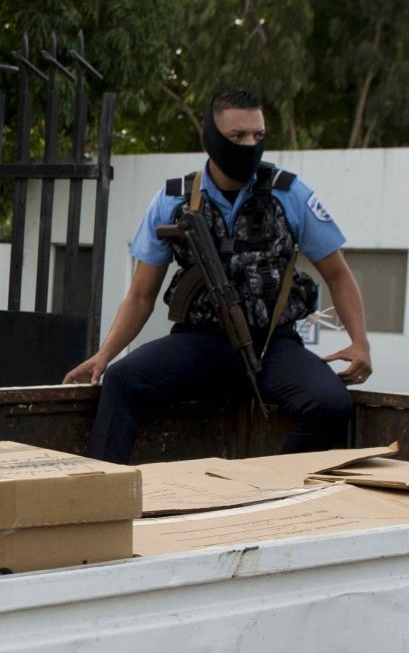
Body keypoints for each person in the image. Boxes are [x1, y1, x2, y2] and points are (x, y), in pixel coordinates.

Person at [64, 88, 371, 464]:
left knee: (332, 404)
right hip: (200, 342)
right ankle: (105, 494)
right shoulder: (173, 199)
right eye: (237, 137)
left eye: (258, 136)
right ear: (210, 138)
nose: (250, 145)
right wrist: (104, 355)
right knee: (122, 380)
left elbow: (338, 274)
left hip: (271, 345)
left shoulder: (288, 193)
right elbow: (142, 294)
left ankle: (268, 489)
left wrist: (360, 343)